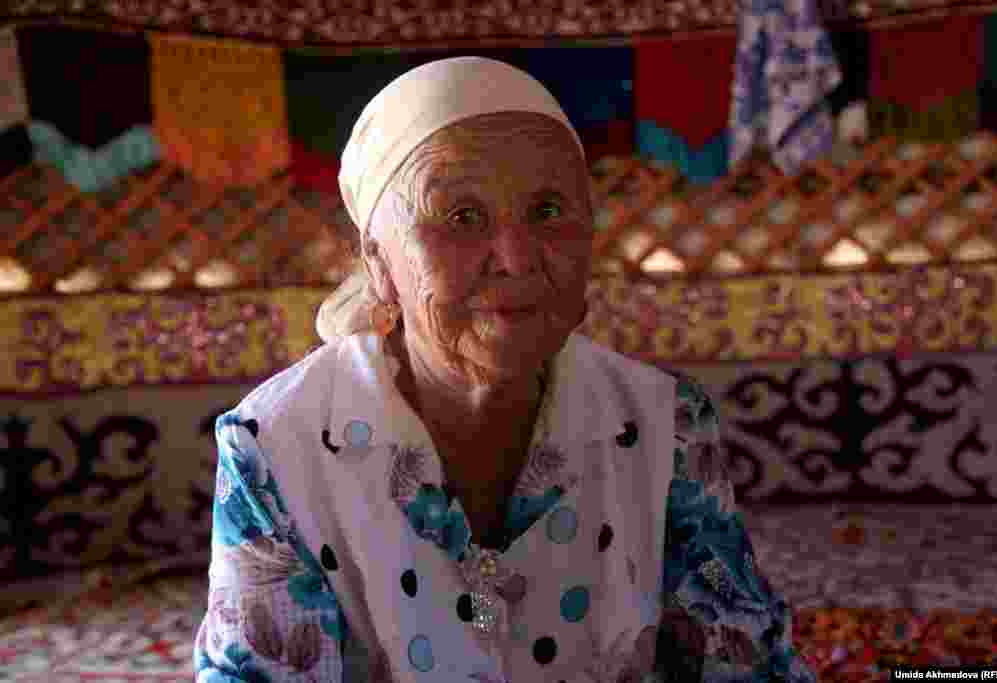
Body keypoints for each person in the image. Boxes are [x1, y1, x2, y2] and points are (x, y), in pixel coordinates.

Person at [194, 56, 817, 683]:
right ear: (380, 263)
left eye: (549, 210)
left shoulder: (662, 423)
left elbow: (742, 652)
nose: (517, 259)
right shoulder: (279, 446)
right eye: (462, 218)